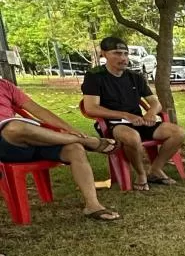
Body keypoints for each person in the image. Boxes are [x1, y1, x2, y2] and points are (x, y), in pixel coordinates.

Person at [0, 78, 119, 221]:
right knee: (14, 128)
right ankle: (88, 141)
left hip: (32, 140)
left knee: (74, 149)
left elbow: (38, 110)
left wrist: (69, 129)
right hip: (7, 146)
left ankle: (93, 205)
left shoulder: (4, 85)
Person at [81, 36, 185, 190]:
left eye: (125, 54)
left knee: (178, 133)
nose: (123, 58)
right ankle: (141, 174)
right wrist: (125, 115)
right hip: (113, 124)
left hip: (139, 121)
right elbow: (91, 108)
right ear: (104, 54)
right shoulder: (94, 76)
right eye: (117, 53)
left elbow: (155, 103)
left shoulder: (135, 77)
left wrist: (151, 113)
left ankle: (155, 169)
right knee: (132, 137)